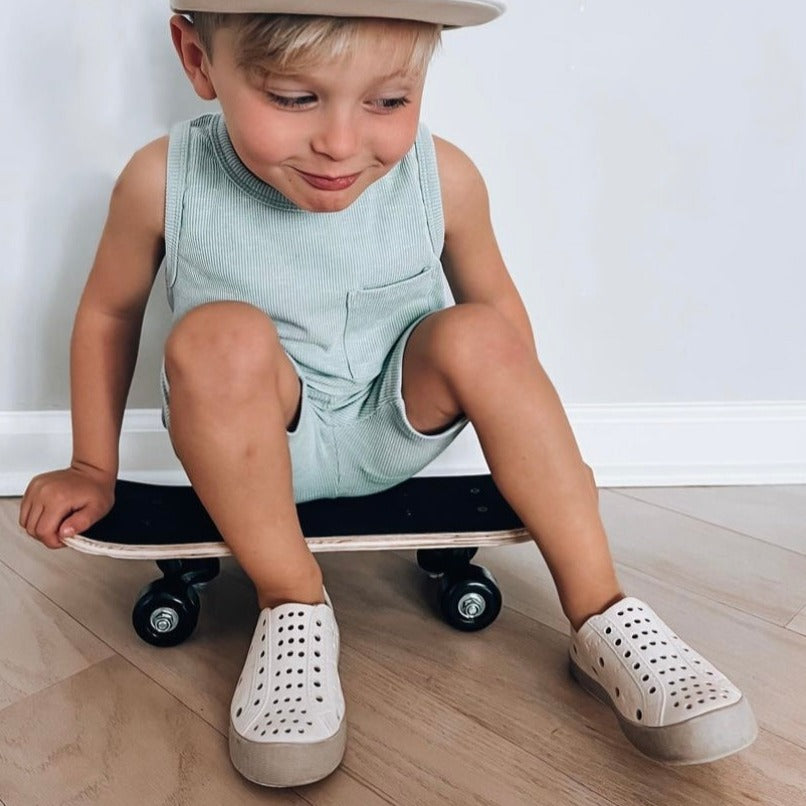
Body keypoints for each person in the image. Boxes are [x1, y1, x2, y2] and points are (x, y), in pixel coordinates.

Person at [18, 0, 757, 789]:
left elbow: (503, 326)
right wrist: (93, 464)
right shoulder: (163, 177)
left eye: (389, 101)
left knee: (479, 330)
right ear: (198, 61)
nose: (340, 142)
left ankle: (601, 612)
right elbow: (108, 312)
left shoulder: (446, 177)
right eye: (295, 98)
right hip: (252, 440)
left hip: (395, 420)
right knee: (215, 335)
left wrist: (536, 454)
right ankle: (292, 602)